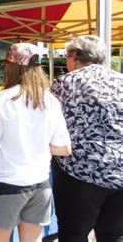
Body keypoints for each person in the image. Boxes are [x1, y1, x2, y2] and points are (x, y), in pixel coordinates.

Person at [0, 43, 71, 242]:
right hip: (40, 184)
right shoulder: (50, 101)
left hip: (8, 184)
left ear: (11, 67)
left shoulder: (1, 99)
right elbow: (63, 149)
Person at [50, 35, 123, 242]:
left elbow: (50, 123)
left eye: (66, 56)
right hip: (120, 171)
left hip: (79, 172)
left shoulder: (66, 82)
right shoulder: (120, 80)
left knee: (73, 235)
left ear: (75, 56)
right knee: (114, 235)